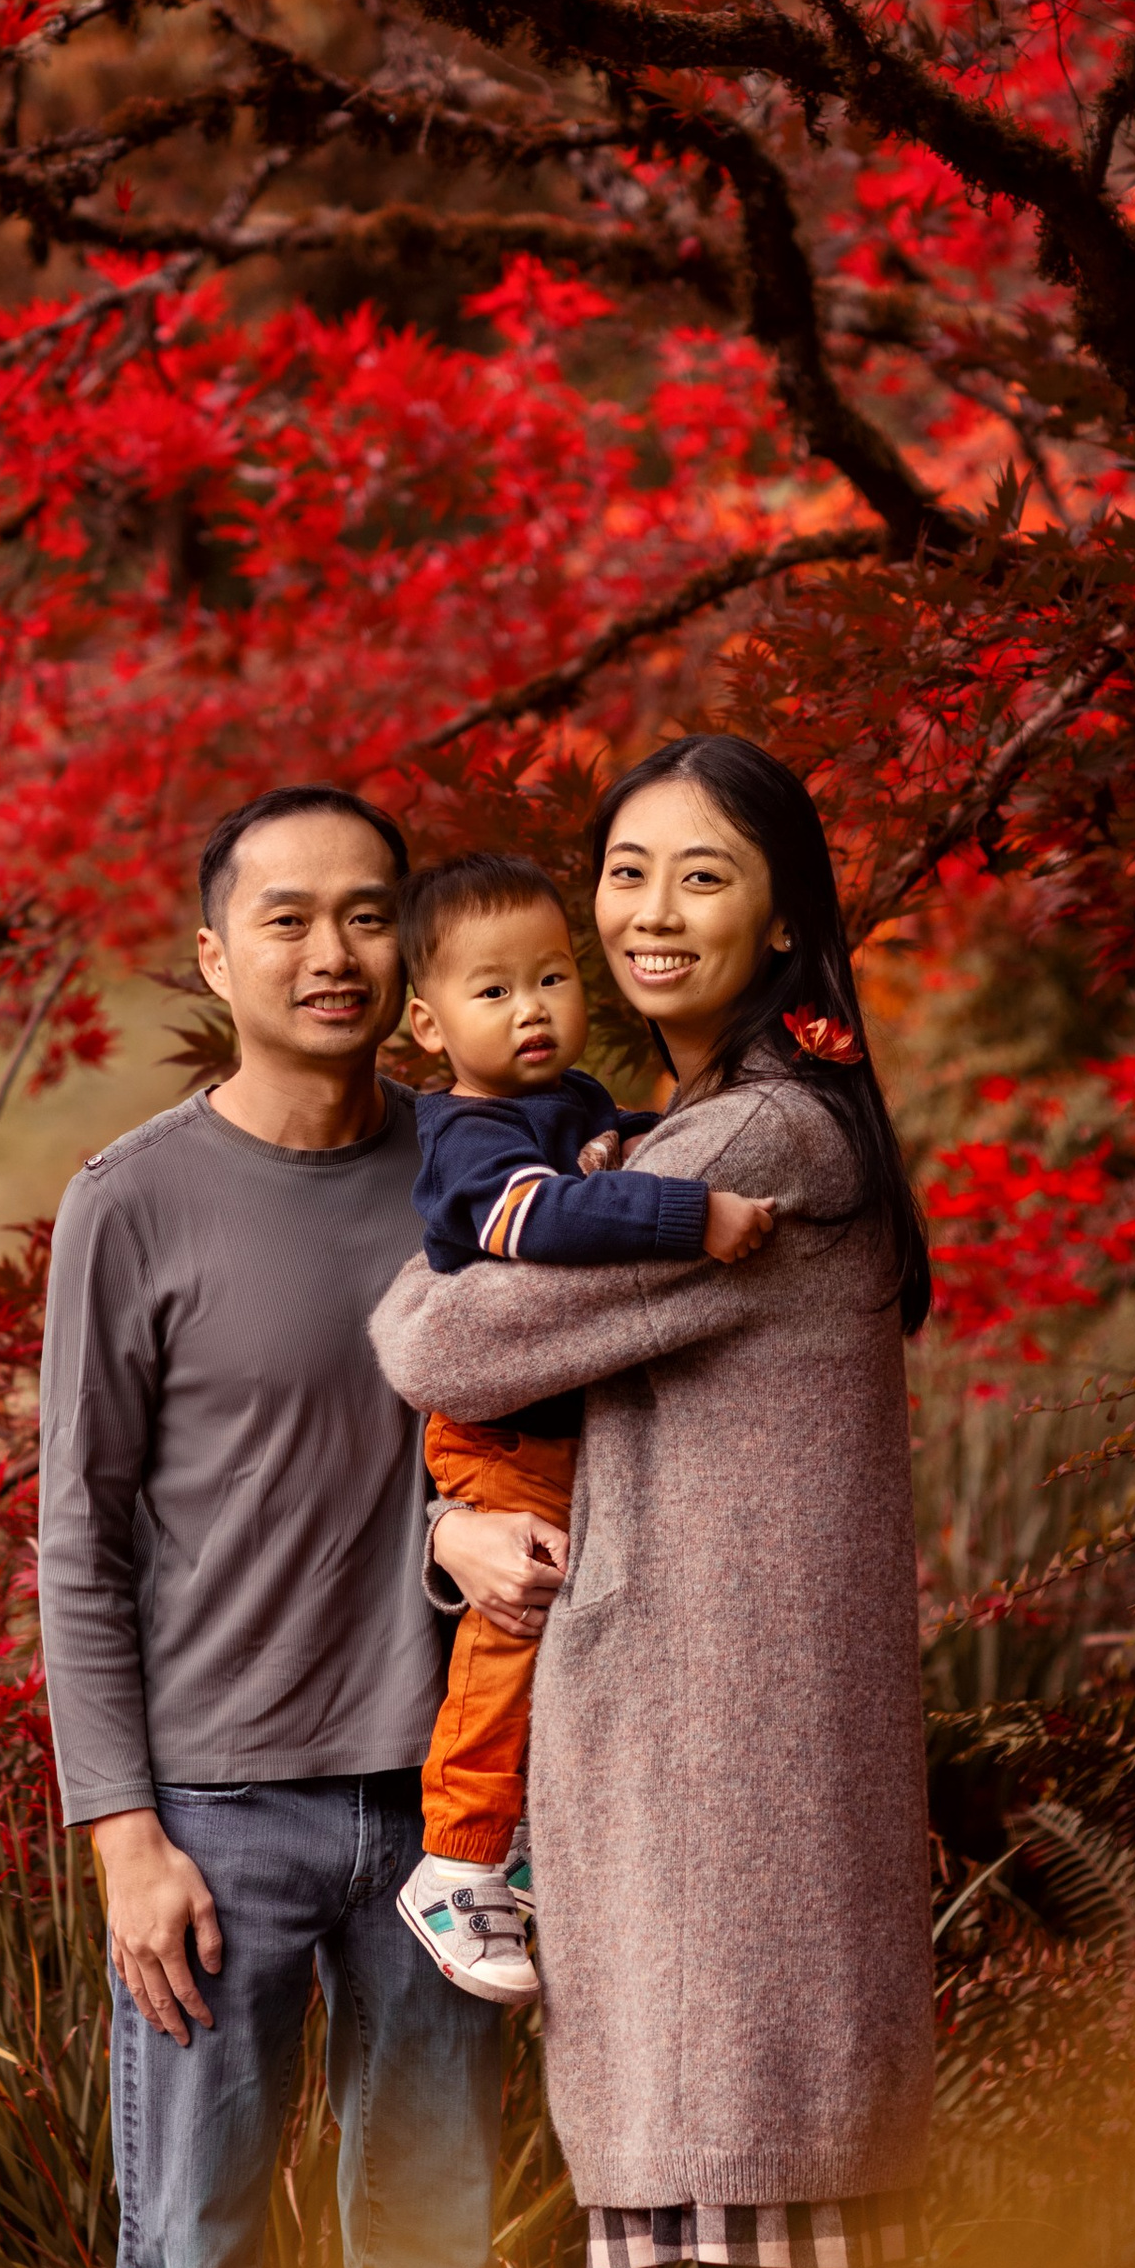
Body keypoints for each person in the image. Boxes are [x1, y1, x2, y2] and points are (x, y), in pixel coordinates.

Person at [372, 736, 934, 2268]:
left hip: (734, 1793)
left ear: (785, 908)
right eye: (624, 870)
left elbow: (441, 1345)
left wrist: (443, 1270)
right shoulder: (658, 1141)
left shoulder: (759, 1146)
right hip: (703, 1780)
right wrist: (451, 1525)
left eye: (702, 874)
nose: (649, 911)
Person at [35, 784, 560, 2268]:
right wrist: (120, 1834)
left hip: (444, 1828)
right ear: (213, 956)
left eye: (364, 919)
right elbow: (75, 1542)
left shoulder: (476, 1169)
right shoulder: (132, 1204)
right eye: (287, 921)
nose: (329, 954)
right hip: (214, 1831)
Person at [390, 847, 778, 2007]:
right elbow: (538, 1219)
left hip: (559, 1428)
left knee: (576, 1631)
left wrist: (674, 1138)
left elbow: (612, 1147)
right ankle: (455, 1860)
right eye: (492, 991)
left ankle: (514, 1843)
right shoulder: (468, 1136)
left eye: (551, 979)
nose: (532, 1010)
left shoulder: (567, 1104)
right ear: (426, 1023)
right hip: (500, 1432)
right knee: (511, 1624)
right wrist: (684, 1211)